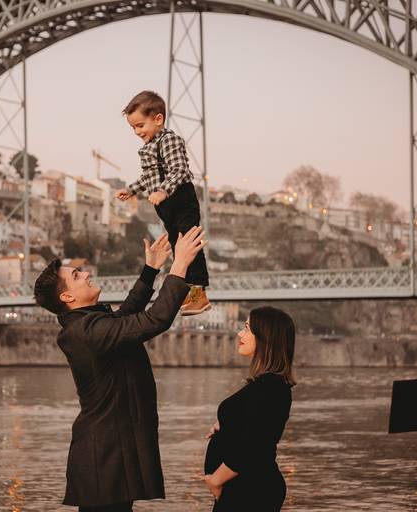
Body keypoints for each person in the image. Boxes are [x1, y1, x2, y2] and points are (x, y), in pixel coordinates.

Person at [33, 228, 207, 511]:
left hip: (109, 452)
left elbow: (126, 315)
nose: (86, 274)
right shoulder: (85, 332)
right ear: (66, 297)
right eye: (76, 276)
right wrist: (179, 267)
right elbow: (154, 320)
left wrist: (151, 270)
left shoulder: (87, 325)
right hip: (103, 457)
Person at [115, 90, 211, 316]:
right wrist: (131, 190)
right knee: (180, 249)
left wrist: (163, 191)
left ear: (158, 119)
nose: (137, 132)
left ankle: (199, 295)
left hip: (180, 199)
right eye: (133, 128)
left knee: (188, 245)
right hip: (165, 205)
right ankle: (188, 293)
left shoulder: (169, 140)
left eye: (140, 125)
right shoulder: (149, 146)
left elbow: (180, 171)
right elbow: (149, 177)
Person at [202, 306, 296, 511]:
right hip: (244, 488)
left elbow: (255, 446)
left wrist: (216, 480)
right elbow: (253, 423)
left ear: (265, 337)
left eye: (246, 328)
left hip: (251, 491)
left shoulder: (271, 388)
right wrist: (225, 424)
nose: (239, 334)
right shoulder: (266, 385)